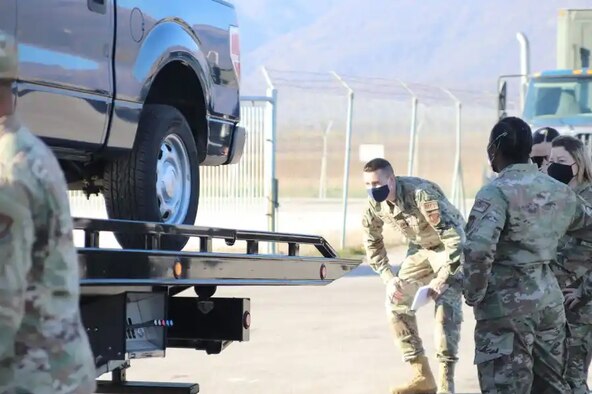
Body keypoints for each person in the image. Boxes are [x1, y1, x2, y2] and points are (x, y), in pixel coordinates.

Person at [463, 116, 592, 393]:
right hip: (549, 302)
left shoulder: (495, 192)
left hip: (505, 306)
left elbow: (479, 249)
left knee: (506, 386)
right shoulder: (559, 191)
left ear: (495, 150)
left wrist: (474, 293)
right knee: (551, 387)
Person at [0, 30, 96, 392]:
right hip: (56, 372)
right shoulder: (28, 151)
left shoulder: (8, 174)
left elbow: (3, 300)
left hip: (31, 378)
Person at [361, 158, 465, 394]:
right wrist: (390, 279)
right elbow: (372, 246)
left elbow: (456, 239)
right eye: (368, 184)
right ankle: (422, 375)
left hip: (446, 250)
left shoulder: (421, 195)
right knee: (396, 302)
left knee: (445, 309)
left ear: (391, 179)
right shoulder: (373, 205)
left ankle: (446, 384)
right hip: (420, 250)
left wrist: (444, 277)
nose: (373, 189)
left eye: (377, 183)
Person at [545, 135, 592, 393]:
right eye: (552, 161)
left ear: (579, 163)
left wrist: (585, 291)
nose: (554, 166)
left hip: (581, 306)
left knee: (573, 378)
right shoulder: (557, 196)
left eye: (561, 161)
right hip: (556, 300)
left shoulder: (589, 197)